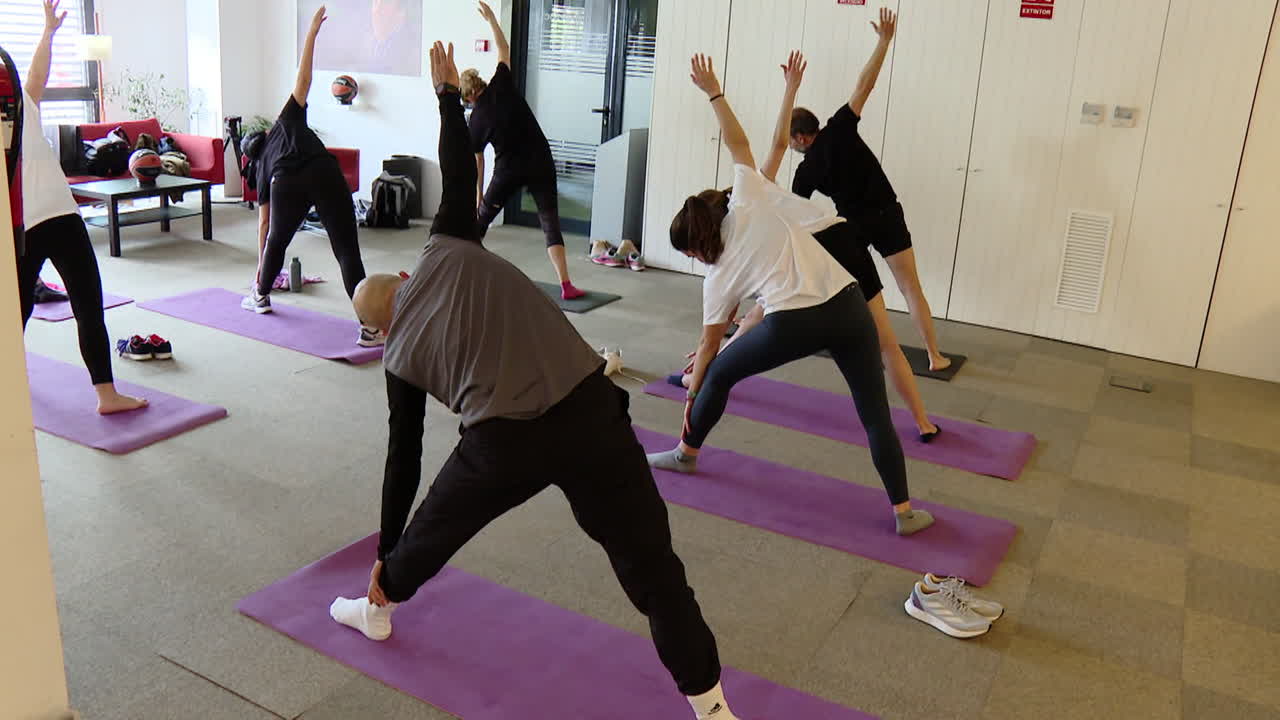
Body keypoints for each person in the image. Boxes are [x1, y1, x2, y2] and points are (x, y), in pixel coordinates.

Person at [328, 41, 740, 720]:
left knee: (432, 529)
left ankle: (379, 604)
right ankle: (713, 707)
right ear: (403, 276)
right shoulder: (447, 243)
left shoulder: (398, 359)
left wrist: (385, 551)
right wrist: (445, 96)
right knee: (653, 570)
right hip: (590, 411)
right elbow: (457, 170)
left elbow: (404, 461)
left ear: (377, 333)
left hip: (502, 445)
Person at [646, 52, 934, 538]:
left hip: (795, 321)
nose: (694, 260)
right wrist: (714, 92)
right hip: (848, 304)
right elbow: (740, 141)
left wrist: (694, 390)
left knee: (720, 373)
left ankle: (685, 454)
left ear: (697, 244)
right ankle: (904, 512)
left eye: (690, 252)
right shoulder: (747, 197)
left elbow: (711, 346)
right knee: (874, 414)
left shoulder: (718, 278)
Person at [691, 47, 940, 442]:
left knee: (761, 312)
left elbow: (773, 142)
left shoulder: (749, 202)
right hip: (838, 238)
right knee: (882, 342)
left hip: (823, 248)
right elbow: (775, 143)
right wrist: (787, 87)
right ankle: (923, 422)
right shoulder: (755, 190)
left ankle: (710, 369)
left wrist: (785, 89)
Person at [790, 9, 952, 374]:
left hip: (854, 225)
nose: (791, 148)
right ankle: (934, 356)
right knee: (910, 287)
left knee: (838, 286)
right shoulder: (839, 127)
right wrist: (884, 41)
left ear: (800, 137)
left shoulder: (807, 168)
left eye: (790, 142)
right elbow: (865, 85)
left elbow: (793, 208)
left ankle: (840, 339)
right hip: (886, 214)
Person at [15, 0, 147, 415]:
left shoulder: (21, 103)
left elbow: (37, 75)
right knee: (18, 311)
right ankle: (11, 383)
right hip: (23, 226)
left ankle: (107, 395)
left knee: (89, 304)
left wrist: (48, 32)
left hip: (62, 216)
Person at [241, 5, 378, 346]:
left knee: (278, 241)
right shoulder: (285, 121)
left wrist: (260, 273)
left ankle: (260, 296)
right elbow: (304, 81)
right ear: (266, 131)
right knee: (346, 250)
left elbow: (265, 226)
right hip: (324, 172)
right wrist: (311, 34)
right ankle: (369, 327)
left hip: (286, 182)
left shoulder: (262, 166)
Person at [464, 1, 586, 301]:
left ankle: (459, 273)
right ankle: (566, 284)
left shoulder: (476, 118)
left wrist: (478, 196)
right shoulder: (501, 81)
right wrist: (491, 20)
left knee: (480, 222)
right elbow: (503, 47)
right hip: (540, 160)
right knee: (550, 224)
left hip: (508, 170)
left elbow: (477, 161)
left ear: (469, 96)